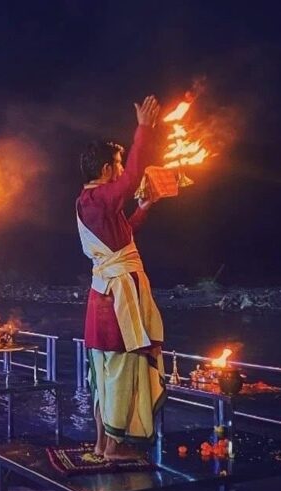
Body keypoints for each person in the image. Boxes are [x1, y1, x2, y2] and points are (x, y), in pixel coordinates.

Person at [76, 95, 166, 461]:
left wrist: (145, 206)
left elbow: (124, 234)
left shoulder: (96, 204)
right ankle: (113, 447)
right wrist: (143, 131)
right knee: (116, 370)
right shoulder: (95, 199)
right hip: (115, 299)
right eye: (115, 162)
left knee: (106, 369)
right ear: (106, 168)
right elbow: (130, 179)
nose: (119, 169)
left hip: (108, 294)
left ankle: (103, 444)